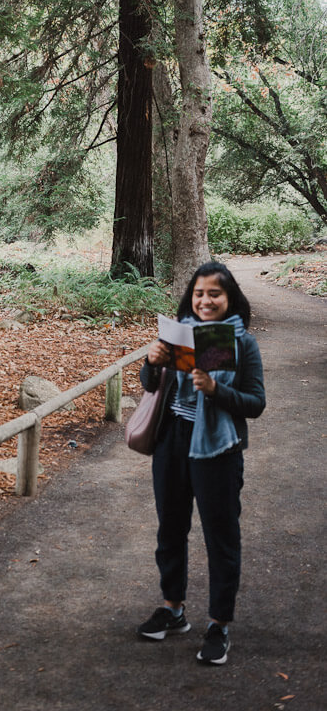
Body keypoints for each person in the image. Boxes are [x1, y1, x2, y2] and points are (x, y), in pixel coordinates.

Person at [136, 261, 266, 665]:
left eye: (214, 294)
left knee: (220, 537)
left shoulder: (241, 343)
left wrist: (214, 390)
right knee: (170, 529)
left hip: (218, 450)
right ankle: (173, 609)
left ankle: (218, 626)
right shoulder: (178, 333)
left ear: (230, 299)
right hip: (172, 443)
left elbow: (256, 403)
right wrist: (152, 362)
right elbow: (151, 386)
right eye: (199, 293)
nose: (205, 300)